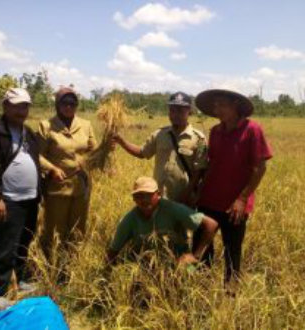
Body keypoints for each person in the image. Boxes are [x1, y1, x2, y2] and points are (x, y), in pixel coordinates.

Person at [191, 89, 273, 285]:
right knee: (201, 245)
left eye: (221, 104)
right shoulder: (215, 132)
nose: (216, 109)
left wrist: (242, 199)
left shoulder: (252, 129)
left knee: (232, 250)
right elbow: (211, 165)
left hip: (234, 205)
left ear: (235, 105)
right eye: (215, 105)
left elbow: (260, 168)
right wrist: (198, 192)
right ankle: (200, 288)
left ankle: (230, 294)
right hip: (208, 200)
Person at [0, 88, 41, 311]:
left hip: (30, 198)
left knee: (23, 242)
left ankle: (18, 280)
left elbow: (36, 161)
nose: (22, 110)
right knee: (4, 246)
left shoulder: (28, 133)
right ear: (5, 106)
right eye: (17, 105)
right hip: (8, 199)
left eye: (25, 106)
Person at [37, 87, 96, 264]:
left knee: (78, 227)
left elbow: (93, 150)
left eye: (73, 103)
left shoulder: (85, 125)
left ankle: (73, 267)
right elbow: (36, 154)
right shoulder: (46, 126)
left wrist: (108, 146)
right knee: (55, 229)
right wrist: (51, 169)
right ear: (57, 104)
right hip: (57, 186)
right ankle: (52, 266)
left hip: (81, 185)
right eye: (65, 103)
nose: (69, 107)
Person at [113, 92, 207, 203]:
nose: (175, 114)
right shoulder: (160, 134)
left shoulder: (199, 139)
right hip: (159, 197)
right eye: (172, 110)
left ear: (189, 112)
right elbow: (142, 152)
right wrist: (121, 141)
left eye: (180, 111)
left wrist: (187, 194)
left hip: (184, 199)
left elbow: (200, 171)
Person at [106, 176, 218, 265]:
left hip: (180, 262)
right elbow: (113, 251)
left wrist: (195, 257)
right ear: (134, 199)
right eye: (139, 196)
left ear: (158, 195)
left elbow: (211, 225)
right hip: (147, 265)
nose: (144, 200)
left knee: (191, 272)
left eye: (148, 195)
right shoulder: (129, 219)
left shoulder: (173, 209)